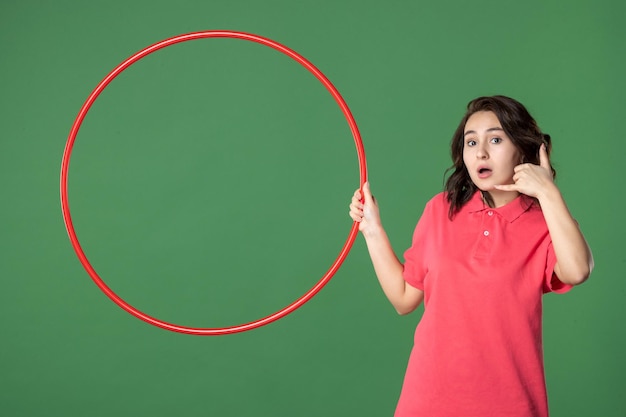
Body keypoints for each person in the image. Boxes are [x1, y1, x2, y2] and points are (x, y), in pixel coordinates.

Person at [348, 95, 593, 417]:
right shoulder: (440, 209)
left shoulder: (546, 221)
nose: (481, 152)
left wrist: (548, 192)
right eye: (471, 142)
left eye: (495, 139)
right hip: (426, 400)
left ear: (522, 148)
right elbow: (404, 298)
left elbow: (576, 271)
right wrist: (373, 230)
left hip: (509, 404)